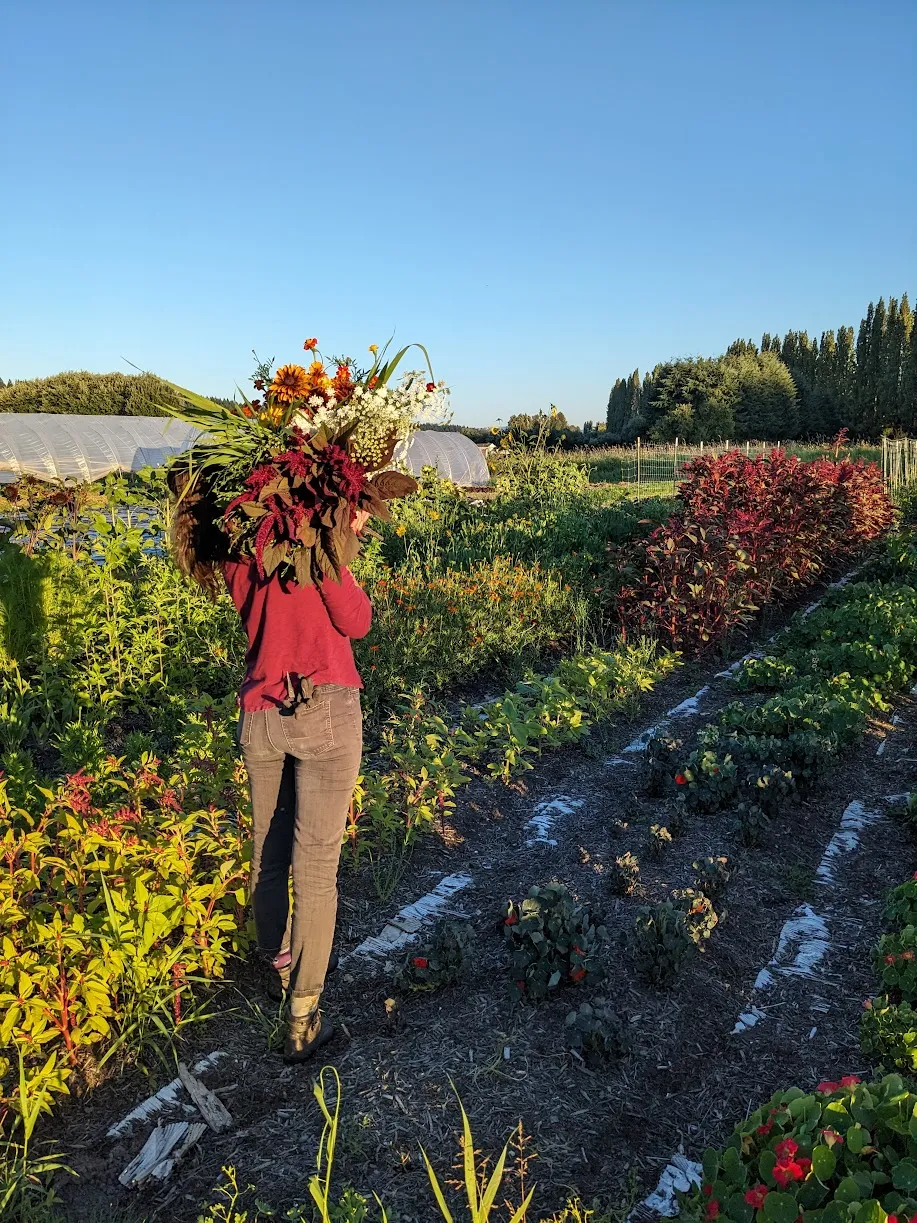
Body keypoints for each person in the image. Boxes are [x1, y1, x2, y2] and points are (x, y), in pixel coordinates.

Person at [167, 468, 372, 1061]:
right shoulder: (311, 548)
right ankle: (302, 1018)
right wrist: (342, 541)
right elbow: (354, 619)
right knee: (314, 868)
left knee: (268, 849)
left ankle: (279, 963)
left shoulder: (236, 553)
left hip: (261, 713)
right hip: (323, 706)